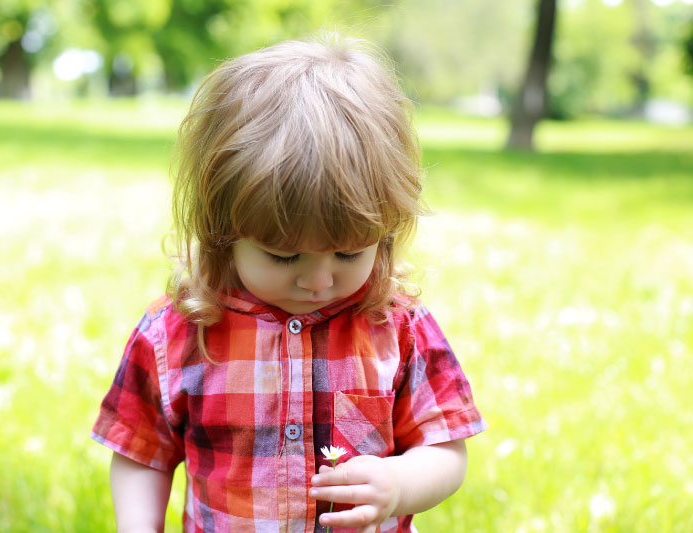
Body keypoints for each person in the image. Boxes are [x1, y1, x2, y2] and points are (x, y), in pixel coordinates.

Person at [91, 35, 486, 533]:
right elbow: (140, 452)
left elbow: (446, 446)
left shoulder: (397, 326)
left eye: (349, 252)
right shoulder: (179, 333)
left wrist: (399, 483)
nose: (319, 279)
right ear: (222, 232)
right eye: (282, 255)